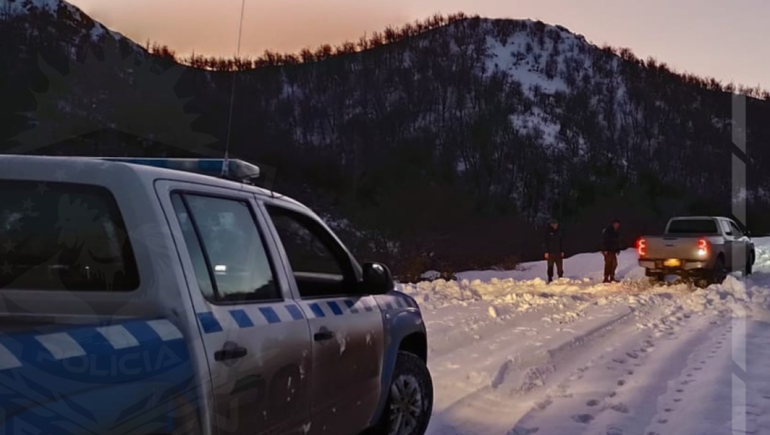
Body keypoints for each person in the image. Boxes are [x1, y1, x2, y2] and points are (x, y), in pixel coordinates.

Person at [543, 218, 564, 283]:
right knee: (550, 266)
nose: (555, 225)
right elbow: (545, 242)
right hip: (550, 253)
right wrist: (546, 251)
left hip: (558, 252)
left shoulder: (559, 232)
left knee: (560, 266)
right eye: (554, 224)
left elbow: (562, 242)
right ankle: (550, 278)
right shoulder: (547, 232)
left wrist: (562, 250)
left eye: (556, 224)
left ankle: (560, 277)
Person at [601, 218, 621, 283]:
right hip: (608, 250)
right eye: (616, 224)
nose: (617, 226)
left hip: (613, 250)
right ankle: (606, 278)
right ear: (613, 224)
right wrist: (605, 249)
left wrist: (617, 249)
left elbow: (616, 241)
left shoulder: (616, 232)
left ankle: (612, 276)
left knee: (614, 263)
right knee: (608, 263)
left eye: (618, 225)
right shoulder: (608, 231)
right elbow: (604, 240)